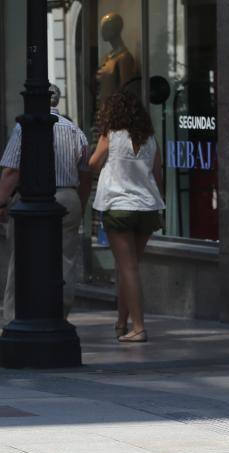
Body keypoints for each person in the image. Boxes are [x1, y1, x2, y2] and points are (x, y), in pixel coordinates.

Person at [0, 84, 91, 324]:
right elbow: (86, 173)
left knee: (22, 259)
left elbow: (11, 171)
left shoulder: (24, 127)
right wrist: (80, 203)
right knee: (65, 260)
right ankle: (60, 314)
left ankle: (15, 317)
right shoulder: (74, 130)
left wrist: (1, 202)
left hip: (31, 197)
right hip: (68, 196)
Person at [89, 91, 164, 343]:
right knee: (129, 268)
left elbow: (92, 164)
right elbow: (158, 173)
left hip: (119, 206)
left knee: (127, 268)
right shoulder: (151, 139)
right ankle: (121, 323)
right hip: (147, 207)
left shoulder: (110, 136)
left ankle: (139, 327)